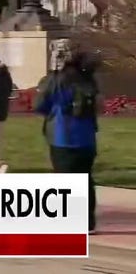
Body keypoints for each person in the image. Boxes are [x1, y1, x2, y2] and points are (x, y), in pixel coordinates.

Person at [35, 47, 101, 233]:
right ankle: (87, 221)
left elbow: (40, 105)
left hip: (62, 136)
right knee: (86, 179)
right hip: (87, 137)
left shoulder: (56, 80)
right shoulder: (89, 80)